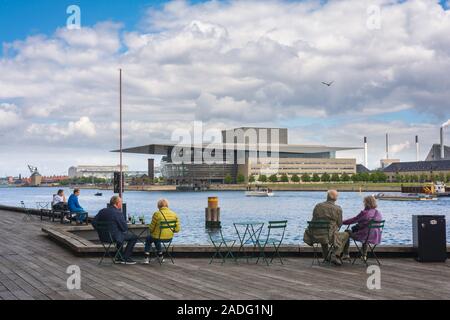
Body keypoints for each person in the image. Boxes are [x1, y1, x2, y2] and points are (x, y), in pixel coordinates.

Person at [303, 190, 349, 266]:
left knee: (324, 233)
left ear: (327, 197)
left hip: (316, 234)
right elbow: (340, 223)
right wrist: (335, 229)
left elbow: (313, 219)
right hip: (329, 235)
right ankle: (335, 254)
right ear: (336, 198)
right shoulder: (338, 209)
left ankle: (326, 256)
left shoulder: (318, 206)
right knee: (347, 234)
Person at [92, 196, 138, 264]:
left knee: (120, 235)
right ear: (117, 203)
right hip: (113, 237)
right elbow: (124, 228)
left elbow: (93, 222)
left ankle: (119, 257)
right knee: (134, 237)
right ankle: (125, 257)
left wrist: (99, 230)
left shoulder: (102, 211)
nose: (121, 204)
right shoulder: (118, 213)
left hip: (102, 237)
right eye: (120, 202)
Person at [342, 195, 383, 261]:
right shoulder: (378, 213)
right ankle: (364, 255)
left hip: (365, 236)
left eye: (364, 202)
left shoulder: (365, 213)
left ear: (367, 203)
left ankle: (346, 254)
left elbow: (353, 220)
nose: (363, 203)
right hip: (375, 236)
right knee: (366, 233)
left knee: (347, 232)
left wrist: (342, 222)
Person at [143, 199, 181, 264]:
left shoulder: (157, 214)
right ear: (167, 205)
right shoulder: (174, 214)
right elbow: (177, 230)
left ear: (158, 206)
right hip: (169, 238)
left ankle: (146, 258)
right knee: (156, 238)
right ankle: (160, 257)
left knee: (149, 238)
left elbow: (151, 228)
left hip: (158, 237)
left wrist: (152, 231)